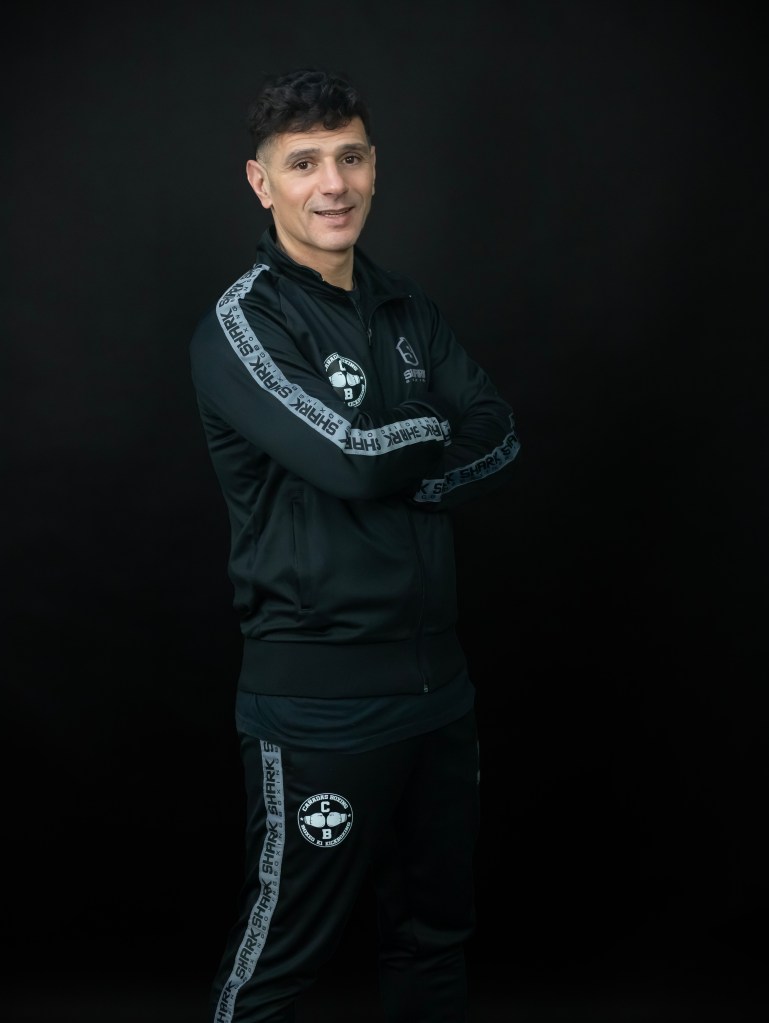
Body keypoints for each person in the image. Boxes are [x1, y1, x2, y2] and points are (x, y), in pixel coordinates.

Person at [189, 66, 521, 1023]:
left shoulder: (406, 306)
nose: (332, 184)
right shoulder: (243, 323)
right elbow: (352, 460)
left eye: (350, 157)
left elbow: (498, 431)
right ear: (261, 183)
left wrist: (399, 455)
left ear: (374, 166)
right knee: (278, 960)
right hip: (318, 703)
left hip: (438, 689)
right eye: (304, 163)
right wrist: (421, 435)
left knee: (433, 938)